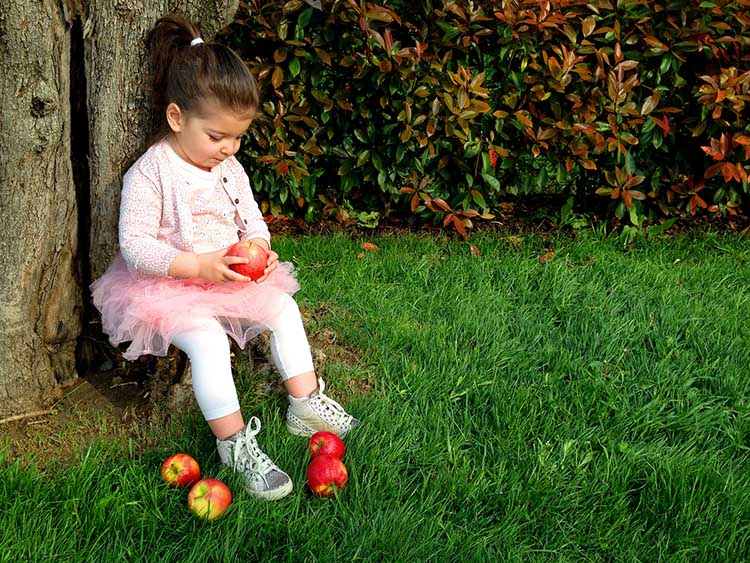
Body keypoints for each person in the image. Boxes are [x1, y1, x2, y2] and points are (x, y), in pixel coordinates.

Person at [91, 14, 358, 501]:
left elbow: (251, 218)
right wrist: (197, 266)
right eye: (216, 136)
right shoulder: (152, 172)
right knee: (209, 344)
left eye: (237, 138)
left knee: (283, 308)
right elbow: (136, 245)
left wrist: (262, 249)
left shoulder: (229, 167)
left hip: (228, 275)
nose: (228, 149)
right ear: (177, 118)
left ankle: (305, 402)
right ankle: (235, 444)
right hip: (172, 288)